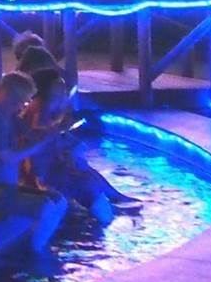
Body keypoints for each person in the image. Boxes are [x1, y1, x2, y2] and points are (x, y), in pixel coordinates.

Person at [0, 72, 68, 254]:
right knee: (45, 207)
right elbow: (8, 157)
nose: (23, 106)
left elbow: (32, 135)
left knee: (58, 200)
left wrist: (54, 131)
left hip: (7, 188)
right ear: (6, 95)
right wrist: (39, 145)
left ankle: (34, 246)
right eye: (21, 100)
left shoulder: (10, 116)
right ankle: (35, 253)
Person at [26, 67, 137, 222]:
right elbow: (37, 165)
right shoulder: (35, 121)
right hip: (46, 180)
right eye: (60, 92)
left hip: (55, 172)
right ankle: (106, 215)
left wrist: (70, 148)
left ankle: (114, 200)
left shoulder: (48, 118)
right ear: (44, 96)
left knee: (89, 173)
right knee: (86, 181)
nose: (64, 96)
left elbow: (63, 143)